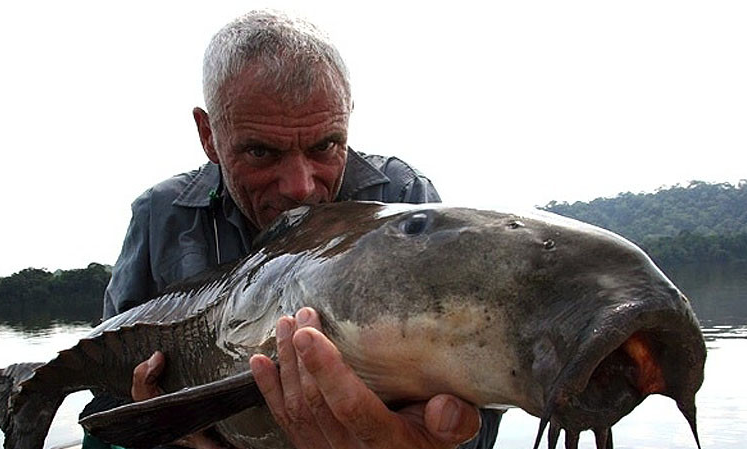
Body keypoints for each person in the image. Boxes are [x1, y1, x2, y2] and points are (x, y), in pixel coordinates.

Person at [83, 9, 502, 449]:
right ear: (209, 135)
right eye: (261, 152)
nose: (301, 187)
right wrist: (162, 429)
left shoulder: (404, 200)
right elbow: (106, 377)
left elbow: (481, 409)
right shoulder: (160, 214)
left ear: (347, 116)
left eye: (326, 145)